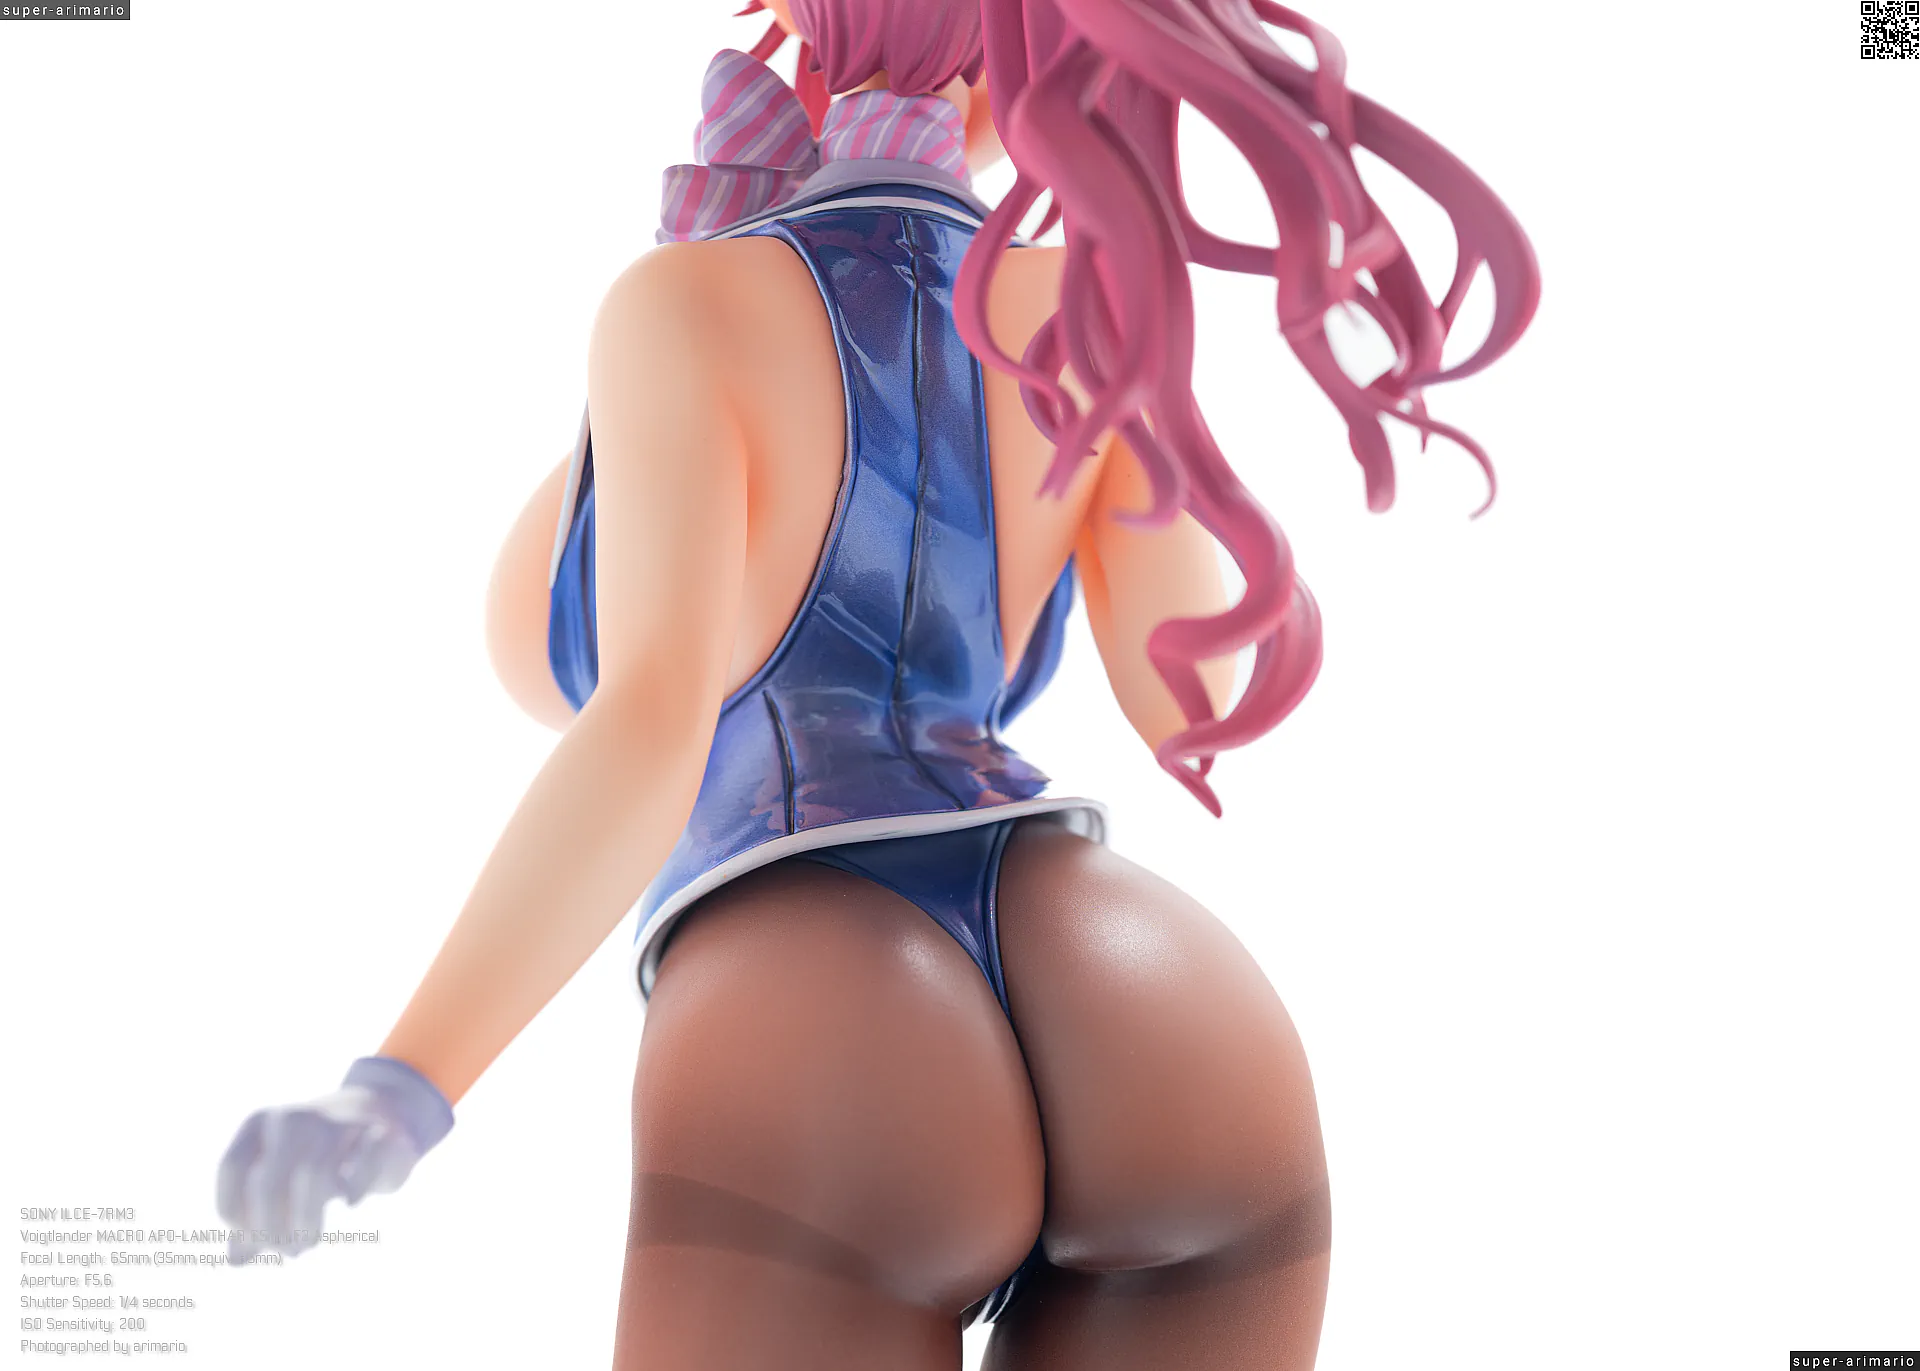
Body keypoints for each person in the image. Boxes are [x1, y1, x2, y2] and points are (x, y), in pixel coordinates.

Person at [217, 2, 1538, 1367]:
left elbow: (647, 722)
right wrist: (1149, 378)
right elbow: (1187, 707)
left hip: (821, 1008)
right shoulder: (1081, 316)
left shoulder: (688, 305)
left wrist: (405, 1084)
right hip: (1156, 1001)